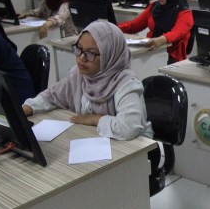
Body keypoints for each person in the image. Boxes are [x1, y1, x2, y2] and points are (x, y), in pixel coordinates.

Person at [23, 20, 153, 141]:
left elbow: (128, 128)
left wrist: (95, 119)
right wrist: (27, 108)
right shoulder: (79, 74)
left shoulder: (126, 83)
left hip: (138, 149)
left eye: (90, 53)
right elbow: (52, 96)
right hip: (98, 143)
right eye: (79, 49)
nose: (81, 58)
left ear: (109, 55)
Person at [118, 0, 193, 64]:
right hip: (150, 53)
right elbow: (134, 26)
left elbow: (176, 33)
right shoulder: (154, 7)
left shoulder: (185, 13)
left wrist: (162, 39)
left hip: (173, 60)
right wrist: (112, 27)